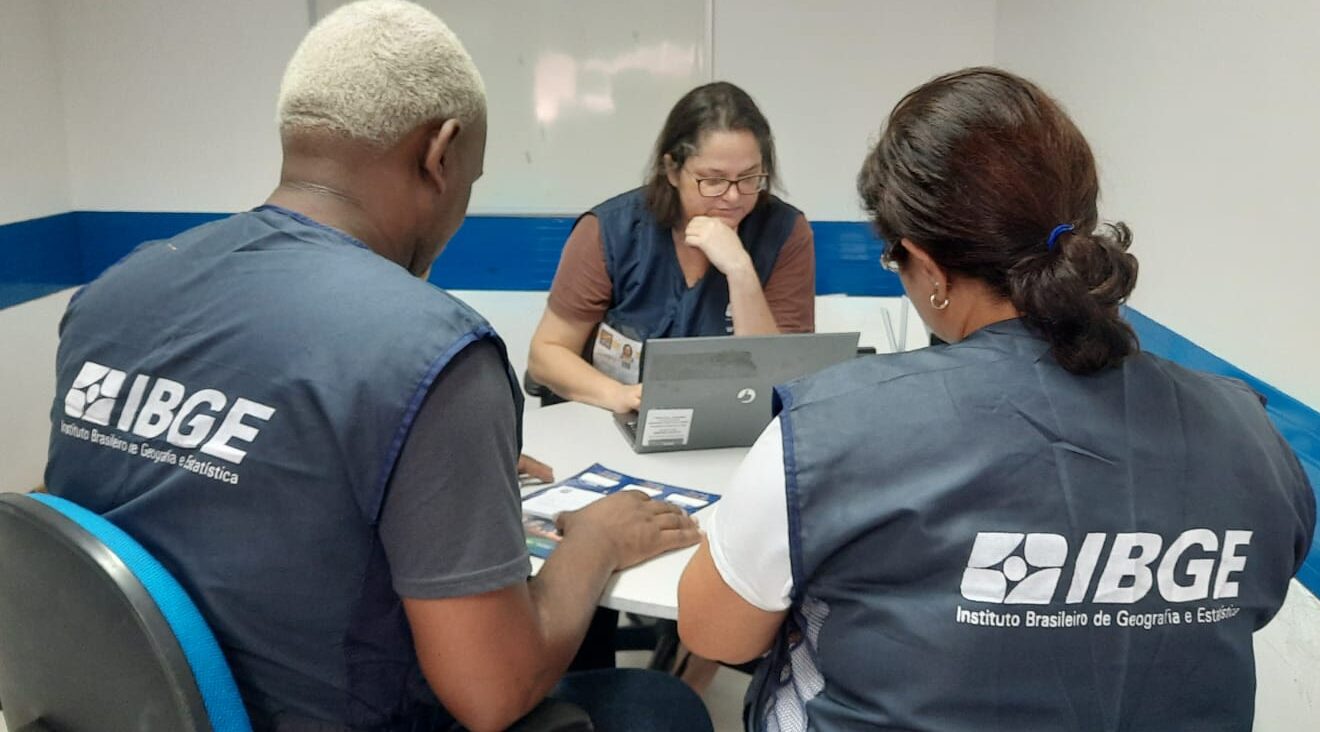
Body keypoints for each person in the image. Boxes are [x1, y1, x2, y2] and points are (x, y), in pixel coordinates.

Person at [44, 2, 710, 731]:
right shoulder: (429, 350)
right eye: (473, 180)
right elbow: (493, 693)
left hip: (148, 711)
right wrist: (596, 541)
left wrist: (423, 474)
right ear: (441, 153)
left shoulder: (111, 296)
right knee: (660, 705)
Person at [677, 67, 1315, 731]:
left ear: (926, 265)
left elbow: (716, 636)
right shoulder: (1249, 431)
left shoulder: (829, 429)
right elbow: (1253, 602)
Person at [527, 81, 816, 414]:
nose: (733, 196)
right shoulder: (610, 231)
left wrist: (740, 272)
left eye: (750, 177)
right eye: (713, 180)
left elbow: (779, 379)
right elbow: (546, 354)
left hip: (731, 425)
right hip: (615, 419)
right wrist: (619, 396)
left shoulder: (785, 233)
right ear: (672, 170)